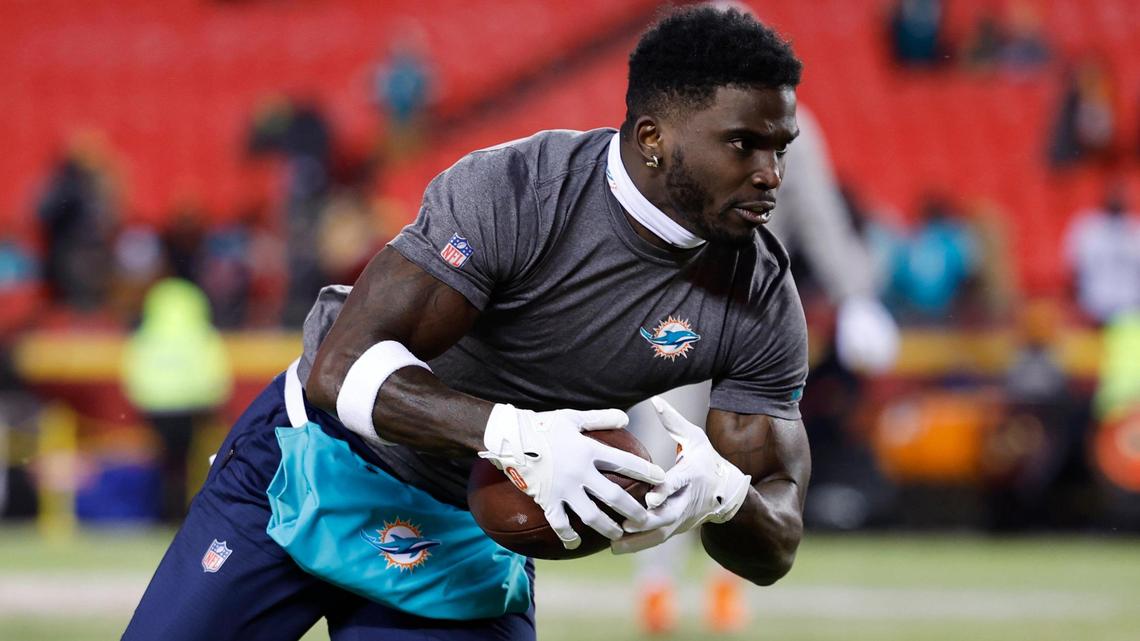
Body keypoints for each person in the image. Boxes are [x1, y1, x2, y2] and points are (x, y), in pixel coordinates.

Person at [123, 7, 811, 640]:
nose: (771, 174)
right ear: (653, 138)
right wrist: (513, 433)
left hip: (464, 525)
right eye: (743, 144)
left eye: (779, 147)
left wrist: (723, 497)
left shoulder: (762, 296)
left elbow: (777, 538)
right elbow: (340, 366)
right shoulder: (520, 191)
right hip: (317, 459)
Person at [626, 106, 899, 634]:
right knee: (667, 449)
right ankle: (656, 582)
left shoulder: (787, 125)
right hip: (683, 303)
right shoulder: (678, 116)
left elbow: (817, 212)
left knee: (743, 455)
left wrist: (854, 295)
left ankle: (723, 582)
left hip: (750, 308)